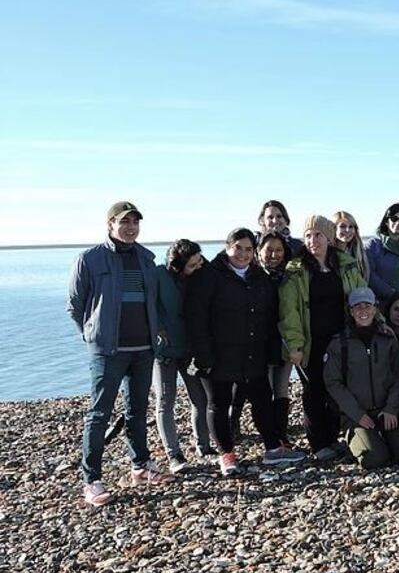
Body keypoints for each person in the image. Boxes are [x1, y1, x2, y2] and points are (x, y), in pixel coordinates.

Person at [68, 201, 173, 506]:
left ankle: (141, 466)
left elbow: (152, 302)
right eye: (124, 222)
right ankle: (92, 480)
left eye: (135, 222)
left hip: (143, 350)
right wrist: (92, 335)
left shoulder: (146, 258)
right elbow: (75, 305)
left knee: (137, 412)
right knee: (99, 414)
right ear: (110, 224)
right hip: (108, 352)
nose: (130, 227)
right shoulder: (90, 259)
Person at [184, 228, 305, 476]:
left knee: (262, 399)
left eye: (249, 249)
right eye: (238, 248)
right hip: (218, 355)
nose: (243, 254)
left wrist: (272, 351)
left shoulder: (258, 277)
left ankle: (273, 448)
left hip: (253, 353)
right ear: (227, 247)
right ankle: (226, 454)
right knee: (219, 403)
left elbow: (270, 317)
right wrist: (204, 355)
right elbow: (196, 317)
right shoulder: (210, 275)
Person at [279, 215, 367, 463]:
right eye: (308, 235)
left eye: (317, 235)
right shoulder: (295, 270)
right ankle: (319, 443)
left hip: (342, 337)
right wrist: (294, 345)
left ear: (329, 237)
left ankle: (335, 437)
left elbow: (361, 296)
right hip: (312, 340)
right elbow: (289, 312)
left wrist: (374, 324)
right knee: (314, 391)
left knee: (338, 387)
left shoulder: (346, 264)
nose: (312, 240)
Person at [323, 288, 399, 469]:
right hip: (357, 415)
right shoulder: (339, 343)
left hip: (386, 411)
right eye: (358, 307)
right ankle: (356, 439)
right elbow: (333, 383)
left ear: (375, 309)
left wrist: (392, 408)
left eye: (367, 306)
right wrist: (357, 414)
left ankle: (385, 438)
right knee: (375, 460)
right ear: (351, 311)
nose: (363, 312)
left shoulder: (387, 338)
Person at [153, 239, 213, 474]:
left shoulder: (200, 275)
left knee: (201, 398)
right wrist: (158, 330)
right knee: (165, 401)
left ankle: (204, 446)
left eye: (199, 261)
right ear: (177, 265)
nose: (197, 267)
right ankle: (174, 454)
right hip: (164, 351)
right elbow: (149, 304)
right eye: (192, 264)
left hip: (189, 348)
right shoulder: (158, 275)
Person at [257, 229, 295, 447]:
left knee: (281, 388)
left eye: (279, 250)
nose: (274, 254)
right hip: (261, 342)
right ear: (259, 251)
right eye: (269, 249)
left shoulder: (289, 276)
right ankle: (268, 436)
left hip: (285, 338)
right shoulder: (253, 275)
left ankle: (281, 434)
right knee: (264, 390)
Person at [333, 211, 371, 284]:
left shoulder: (359, 254)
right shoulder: (327, 254)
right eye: (342, 226)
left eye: (351, 226)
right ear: (333, 228)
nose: (347, 230)